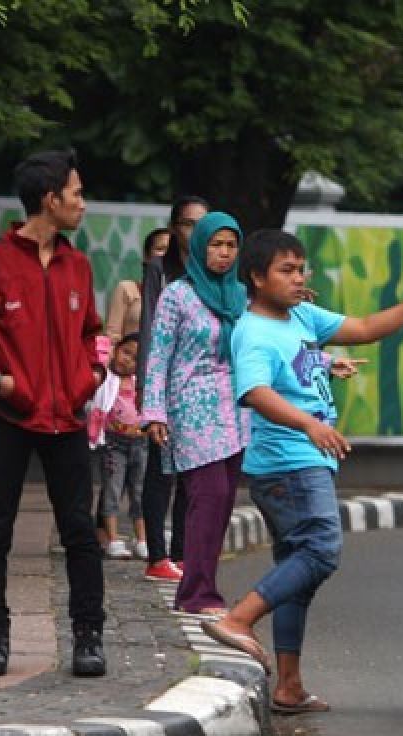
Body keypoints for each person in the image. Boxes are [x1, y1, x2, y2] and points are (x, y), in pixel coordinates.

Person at [200, 229, 403, 714]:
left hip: (303, 460)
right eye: (286, 271)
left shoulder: (303, 316)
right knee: (322, 549)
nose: (298, 278)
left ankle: (288, 687)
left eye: (300, 269)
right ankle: (238, 618)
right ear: (256, 277)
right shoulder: (253, 330)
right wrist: (310, 424)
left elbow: (369, 327)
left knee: (299, 570)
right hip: (290, 461)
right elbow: (255, 392)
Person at [0, 149, 107, 678]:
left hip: (68, 421)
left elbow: (91, 333)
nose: (83, 204)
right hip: (10, 416)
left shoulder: (78, 263)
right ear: (49, 199)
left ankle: (88, 637)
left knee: (80, 530)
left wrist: (93, 376)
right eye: (76, 194)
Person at [142, 212, 249, 615]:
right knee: (209, 495)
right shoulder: (178, 295)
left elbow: (265, 347)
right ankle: (197, 593)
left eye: (230, 245)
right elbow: (158, 357)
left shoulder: (242, 296)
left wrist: (322, 362)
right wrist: (154, 412)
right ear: (201, 246)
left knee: (222, 503)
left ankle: (201, 587)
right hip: (191, 406)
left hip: (237, 410)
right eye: (215, 244)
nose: (223, 253)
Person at [138, 198, 208, 583]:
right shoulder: (159, 270)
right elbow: (150, 327)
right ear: (173, 227)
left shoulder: (215, 273)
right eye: (186, 224)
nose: (194, 232)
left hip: (201, 387)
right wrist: (149, 392)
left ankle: (181, 552)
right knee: (159, 471)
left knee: (191, 471)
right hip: (164, 383)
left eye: (202, 224)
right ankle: (157, 554)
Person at [92, 333, 147, 559]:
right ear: (116, 349)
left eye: (135, 358)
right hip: (114, 443)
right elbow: (99, 347)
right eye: (125, 352)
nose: (127, 360)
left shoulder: (139, 384)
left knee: (140, 492)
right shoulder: (106, 379)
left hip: (140, 443)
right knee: (112, 490)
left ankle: (142, 539)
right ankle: (113, 539)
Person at [104, 228, 169, 346]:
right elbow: (112, 337)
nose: (166, 255)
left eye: (171, 251)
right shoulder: (127, 289)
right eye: (160, 249)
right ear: (146, 256)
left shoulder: (183, 294)